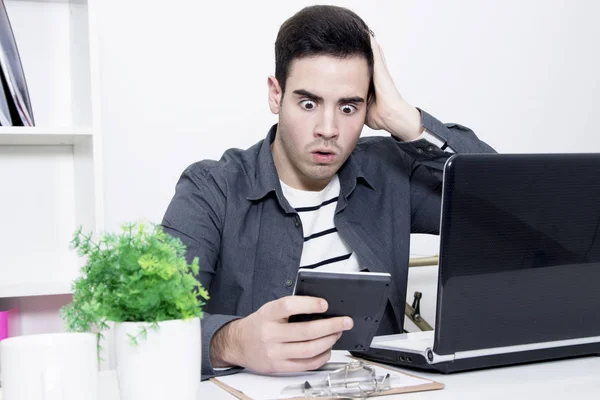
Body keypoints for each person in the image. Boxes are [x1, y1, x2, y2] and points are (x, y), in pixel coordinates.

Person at [161, 5, 495, 379]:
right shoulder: (211, 189)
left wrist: (404, 119)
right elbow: (154, 327)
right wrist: (232, 341)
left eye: (349, 107)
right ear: (276, 95)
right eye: (308, 103)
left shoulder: (390, 171)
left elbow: (504, 203)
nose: (328, 128)